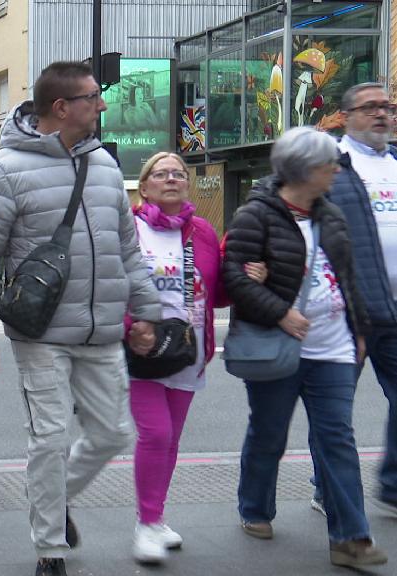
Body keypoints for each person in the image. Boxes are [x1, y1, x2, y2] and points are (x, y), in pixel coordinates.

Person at [0, 61, 161, 576]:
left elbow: (128, 249)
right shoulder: (3, 169)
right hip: (41, 331)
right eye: (94, 96)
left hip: (102, 330)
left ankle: (51, 497)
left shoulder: (106, 167)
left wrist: (148, 313)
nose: (104, 104)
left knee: (114, 432)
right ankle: (51, 547)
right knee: (48, 438)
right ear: (61, 107)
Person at [223, 126, 386, 567]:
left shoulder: (330, 214)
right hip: (279, 345)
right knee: (269, 433)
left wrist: (359, 329)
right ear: (304, 169)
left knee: (337, 438)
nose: (336, 170)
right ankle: (255, 507)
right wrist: (280, 312)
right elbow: (234, 277)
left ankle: (351, 538)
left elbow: (348, 276)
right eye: (328, 164)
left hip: (333, 347)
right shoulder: (255, 215)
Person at [125, 152, 266, 563]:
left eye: (178, 173)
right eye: (160, 173)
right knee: (156, 434)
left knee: (171, 441)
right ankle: (146, 524)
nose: (171, 179)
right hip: (142, 349)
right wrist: (131, 326)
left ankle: (154, 518)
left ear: (187, 183)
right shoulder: (129, 230)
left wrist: (247, 276)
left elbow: (217, 292)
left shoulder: (202, 231)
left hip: (188, 349)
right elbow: (112, 285)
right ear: (145, 185)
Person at [326, 82, 397, 517]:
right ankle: (326, 486)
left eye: (387, 107)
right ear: (345, 115)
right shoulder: (331, 164)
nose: (381, 115)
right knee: (333, 411)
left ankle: (392, 486)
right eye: (370, 107)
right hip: (345, 313)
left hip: (394, 311)